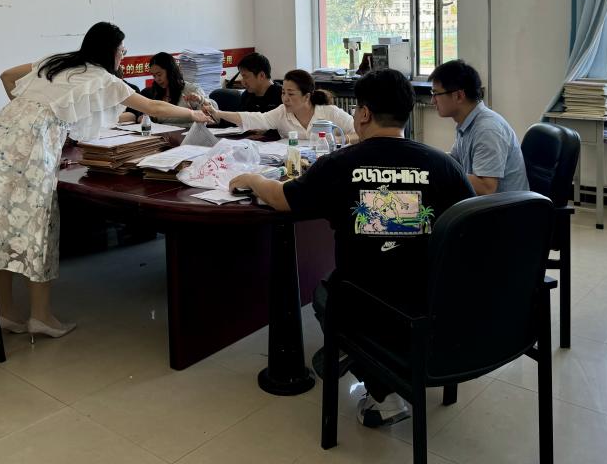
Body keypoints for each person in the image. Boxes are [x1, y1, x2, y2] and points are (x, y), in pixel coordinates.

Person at [229, 69, 474, 428]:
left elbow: (282, 199)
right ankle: (373, 360)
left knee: (324, 295)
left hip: (364, 301)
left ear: (364, 113)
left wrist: (252, 179)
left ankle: (381, 390)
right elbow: (468, 230)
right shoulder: (444, 165)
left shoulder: (340, 164)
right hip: (431, 300)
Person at [0, 22, 211, 340]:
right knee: (37, 227)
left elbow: (7, 76)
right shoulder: (102, 78)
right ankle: (40, 316)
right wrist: (194, 115)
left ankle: (4, 312)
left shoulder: (56, 61)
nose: (123, 56)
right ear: (111, 51)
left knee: (0, 225)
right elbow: (150, 106)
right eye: (122, 50)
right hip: (31, 146)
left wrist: (26, 113)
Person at [428, 59, 529, 195]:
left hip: (503, 207)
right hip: (483, 203)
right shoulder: (467, 123)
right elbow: (454, 161)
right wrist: (428, 160)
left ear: (459, 96)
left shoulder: (487, 129)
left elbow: (486, 188)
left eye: (436, 94)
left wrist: (439, 172)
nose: (432, 101)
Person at [208, 69, 356, 141]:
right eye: (283, 93)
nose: (285, 99)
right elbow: (254, 118)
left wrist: (339, 139)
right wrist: (218, 113)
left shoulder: (330, 112)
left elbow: (361, 132)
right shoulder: (281, 112)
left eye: (291, 94)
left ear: (307, 96)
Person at [118, 52, 215, 126]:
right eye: (154, 75)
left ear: (170, 71)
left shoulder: (191, 90)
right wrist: (147, 118)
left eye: (159, 74)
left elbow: (213, 118)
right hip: (162, 138)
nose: (157, 79)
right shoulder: (153, 92)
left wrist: (202, 102)